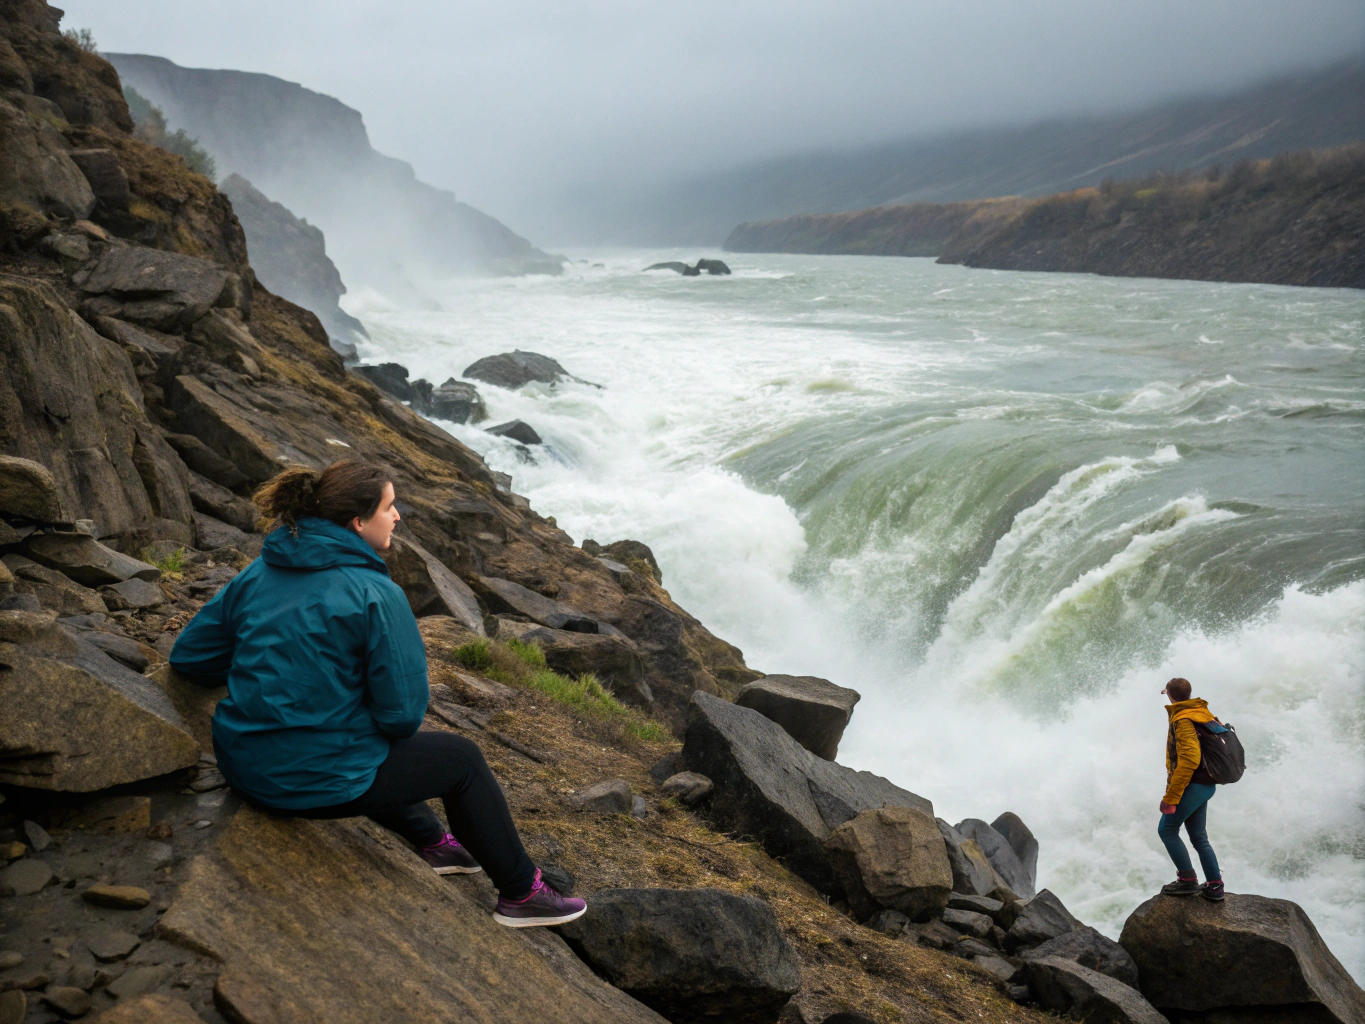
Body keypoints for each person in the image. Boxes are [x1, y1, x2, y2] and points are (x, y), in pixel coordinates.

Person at [170, 460, 585, 928]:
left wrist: (274, 678)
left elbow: (189, 658)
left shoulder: (258, 573)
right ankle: (523, 894)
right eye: (390, 507)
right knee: (460, 760)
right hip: (300, 784)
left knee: (355, 731)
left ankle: (432, 841)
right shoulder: (374, 592)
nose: (398, 516)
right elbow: (402, 718)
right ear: (357, 522)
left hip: (242, 765)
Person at [1157, 677, 1225, 901]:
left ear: (1169, 694)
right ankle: (1215, 886)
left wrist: (1172, 797)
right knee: (1198, 837)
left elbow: (1189, 760)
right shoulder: (1200, 711)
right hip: (1206, 784)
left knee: (1166, 830)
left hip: (1193, 785)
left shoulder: (1183, 719)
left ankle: (1187, 880)